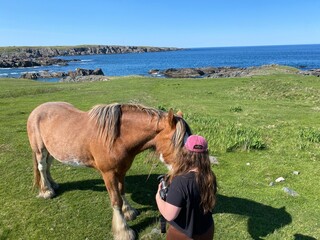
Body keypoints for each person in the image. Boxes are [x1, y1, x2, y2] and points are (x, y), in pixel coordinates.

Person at [156, 135, 217, 240]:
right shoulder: (210, 177)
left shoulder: (180, 182)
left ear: (185, 153)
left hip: (182, 234)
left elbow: (169, 215)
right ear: (205, 154)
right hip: (206, 230)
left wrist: (158, 197)